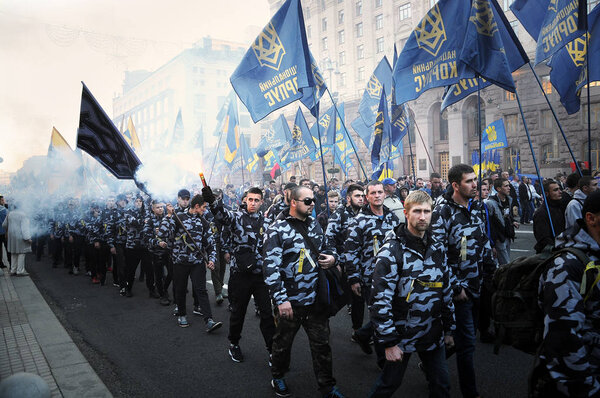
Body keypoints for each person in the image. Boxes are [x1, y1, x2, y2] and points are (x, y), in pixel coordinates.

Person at [369, 191, 455, 398]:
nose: (423, 216)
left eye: (427, 211)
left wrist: (449, 328)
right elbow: (379, 300)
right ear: (406, 213)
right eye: (417, 211)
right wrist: (389, 343)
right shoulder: (391, 251)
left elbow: (445, 291)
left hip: (432, 332)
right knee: (388, 385)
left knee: (442, 385)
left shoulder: (437, 247)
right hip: (401, 335)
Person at [263, 186, 344, 398]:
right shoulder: (277, 229)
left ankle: (327, 387)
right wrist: (281, 300)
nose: (312, 204)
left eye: (313, 201)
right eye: (307, 201)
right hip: (290, 301)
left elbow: (327, 247)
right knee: (282, 345)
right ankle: (278, 376)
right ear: (294, 202)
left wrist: (333, 258)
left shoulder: (314, 224)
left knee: (322, 346)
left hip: (316, 300)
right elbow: (270, 268)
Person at [431, 164, 495, 398]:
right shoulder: (442, 212)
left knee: (464, 337)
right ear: (455, 185)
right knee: (467, 343)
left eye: (475, 180)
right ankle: (471, 392)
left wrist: (491, 270)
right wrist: (456, 287)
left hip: (479, 283)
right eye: (469, 181)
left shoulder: (477, 206)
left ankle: (432, 361)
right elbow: (437, 255)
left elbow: (482, 239)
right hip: (460, 290)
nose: (475, 185)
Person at [536, 190, 600, 396]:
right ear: (591, 218)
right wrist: (587, 389)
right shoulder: (566, 266)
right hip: (587, 373)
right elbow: (563, 339)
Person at [206, 186, 275, 363]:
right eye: (250, 199)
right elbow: (221, 215)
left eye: (256, 200)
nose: (252, 203)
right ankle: (234, 344)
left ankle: (272, 349)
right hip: (240, 274)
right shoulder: (236, 217)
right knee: (238, 312)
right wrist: (213, 202)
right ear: (245, 200)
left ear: (262, 202)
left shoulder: (266, 222)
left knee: (267, 314)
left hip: (260, 275)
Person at [346, 181, 401, 368]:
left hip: (393, 276)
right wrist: (354, 278)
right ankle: (383, 361)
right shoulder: (358, 221)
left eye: (380, 192)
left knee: (392, 312)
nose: (377, 195)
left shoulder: (393, 218)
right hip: (370, 277)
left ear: (384, 194)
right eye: (373, 193)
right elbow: (351, 251)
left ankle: (362, 334)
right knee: (380, 317)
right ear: (367, 197)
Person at [160, 194, 222, 331]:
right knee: (180, 289)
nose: (205, 210)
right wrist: (169, 216)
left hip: (197, 262)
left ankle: (209, 320)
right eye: (204, 207)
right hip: (180, 262)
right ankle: (182, 314)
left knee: (201, 290)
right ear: (197, 206)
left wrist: (211, 259)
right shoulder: (178, 217)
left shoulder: (204, 223)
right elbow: (163, 233)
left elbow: (211, 244)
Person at [486, 178, 518, 266]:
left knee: (505, 263)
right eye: (506, 186)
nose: (509, 188)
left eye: (509, 185)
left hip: (508, 234)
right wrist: (492, 243)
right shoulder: (491, 203)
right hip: (499, 238)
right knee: (506, 265)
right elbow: (490, 224)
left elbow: (507, 215)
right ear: (498, 189)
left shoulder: (508, 200)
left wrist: (513, 221)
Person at [533, 179, 566, 253]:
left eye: (559, 189)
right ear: (546, 194)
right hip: (551, 253)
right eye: (555, 190)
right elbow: (544, 239)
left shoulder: (560, 207)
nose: (560, 192)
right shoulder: (541, 213)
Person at [2, 203, 32, 276]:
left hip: (11, 236)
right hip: (20, 237)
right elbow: (24, 228)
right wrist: (28, 238)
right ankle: (20, 271)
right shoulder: (23, 215)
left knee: (13, 253)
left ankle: (13, 270)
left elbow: (4, 225)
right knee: (21, 253)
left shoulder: (10, 214)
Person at [0, 195, 8, 268]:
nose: (4, 201)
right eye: (2, 200)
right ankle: (11, 264)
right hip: (4, 232)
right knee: (7, 248)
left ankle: (1, 263)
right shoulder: (4, 210)